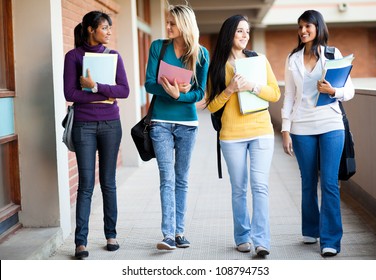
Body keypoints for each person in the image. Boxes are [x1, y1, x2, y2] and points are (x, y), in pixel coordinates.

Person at [281, 10, 354, 257]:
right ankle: (311, 229)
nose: (303, 31)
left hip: (331, 124)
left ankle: (331, 239)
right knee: (308, 180)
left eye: (307, 26)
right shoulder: (293, 58)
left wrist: (334, 91)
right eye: (300, 26)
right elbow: (289, 96)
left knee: (330, 182)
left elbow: (349, 90)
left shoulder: (333, 54)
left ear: (317, 27)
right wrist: (285, 128)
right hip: (302, 126)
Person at [206, 15, 280, 257]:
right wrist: (230, 90)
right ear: (229, 33)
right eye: (240, 31)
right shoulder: (217, 66)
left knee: (260, 186)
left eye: (247, 31)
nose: (245, 35)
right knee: (239, 188)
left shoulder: (259, 60)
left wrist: (252, 87)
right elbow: (212, 106)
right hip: (231, 135)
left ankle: (261, 241)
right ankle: (242, 237)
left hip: (261, 131)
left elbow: (275, 94)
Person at [63, 11, 130, 259]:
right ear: (91, 29)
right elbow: (70, 93)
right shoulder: (73, 57)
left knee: (109, 183)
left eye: (110, 28)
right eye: (104, 28)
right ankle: (81, 242)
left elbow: (124, 90)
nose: (109, 32)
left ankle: (110, 235)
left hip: (112, 125)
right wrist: (104, 95)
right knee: (86, 185)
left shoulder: (114, 56)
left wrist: (96, 87)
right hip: (84, 126)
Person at [144, 4, 209, 250]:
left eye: (172, 23)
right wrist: (169, 90)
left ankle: (180, 232)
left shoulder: (201, 54)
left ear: (185, 25)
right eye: (167, 22)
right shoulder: (158, 47)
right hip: (160, 121)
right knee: (167, 177)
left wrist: (180, 96)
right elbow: (149, 83)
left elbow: (200, 93)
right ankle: (168, 234)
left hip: (188, 124)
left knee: (181, 178)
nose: (168, 27)